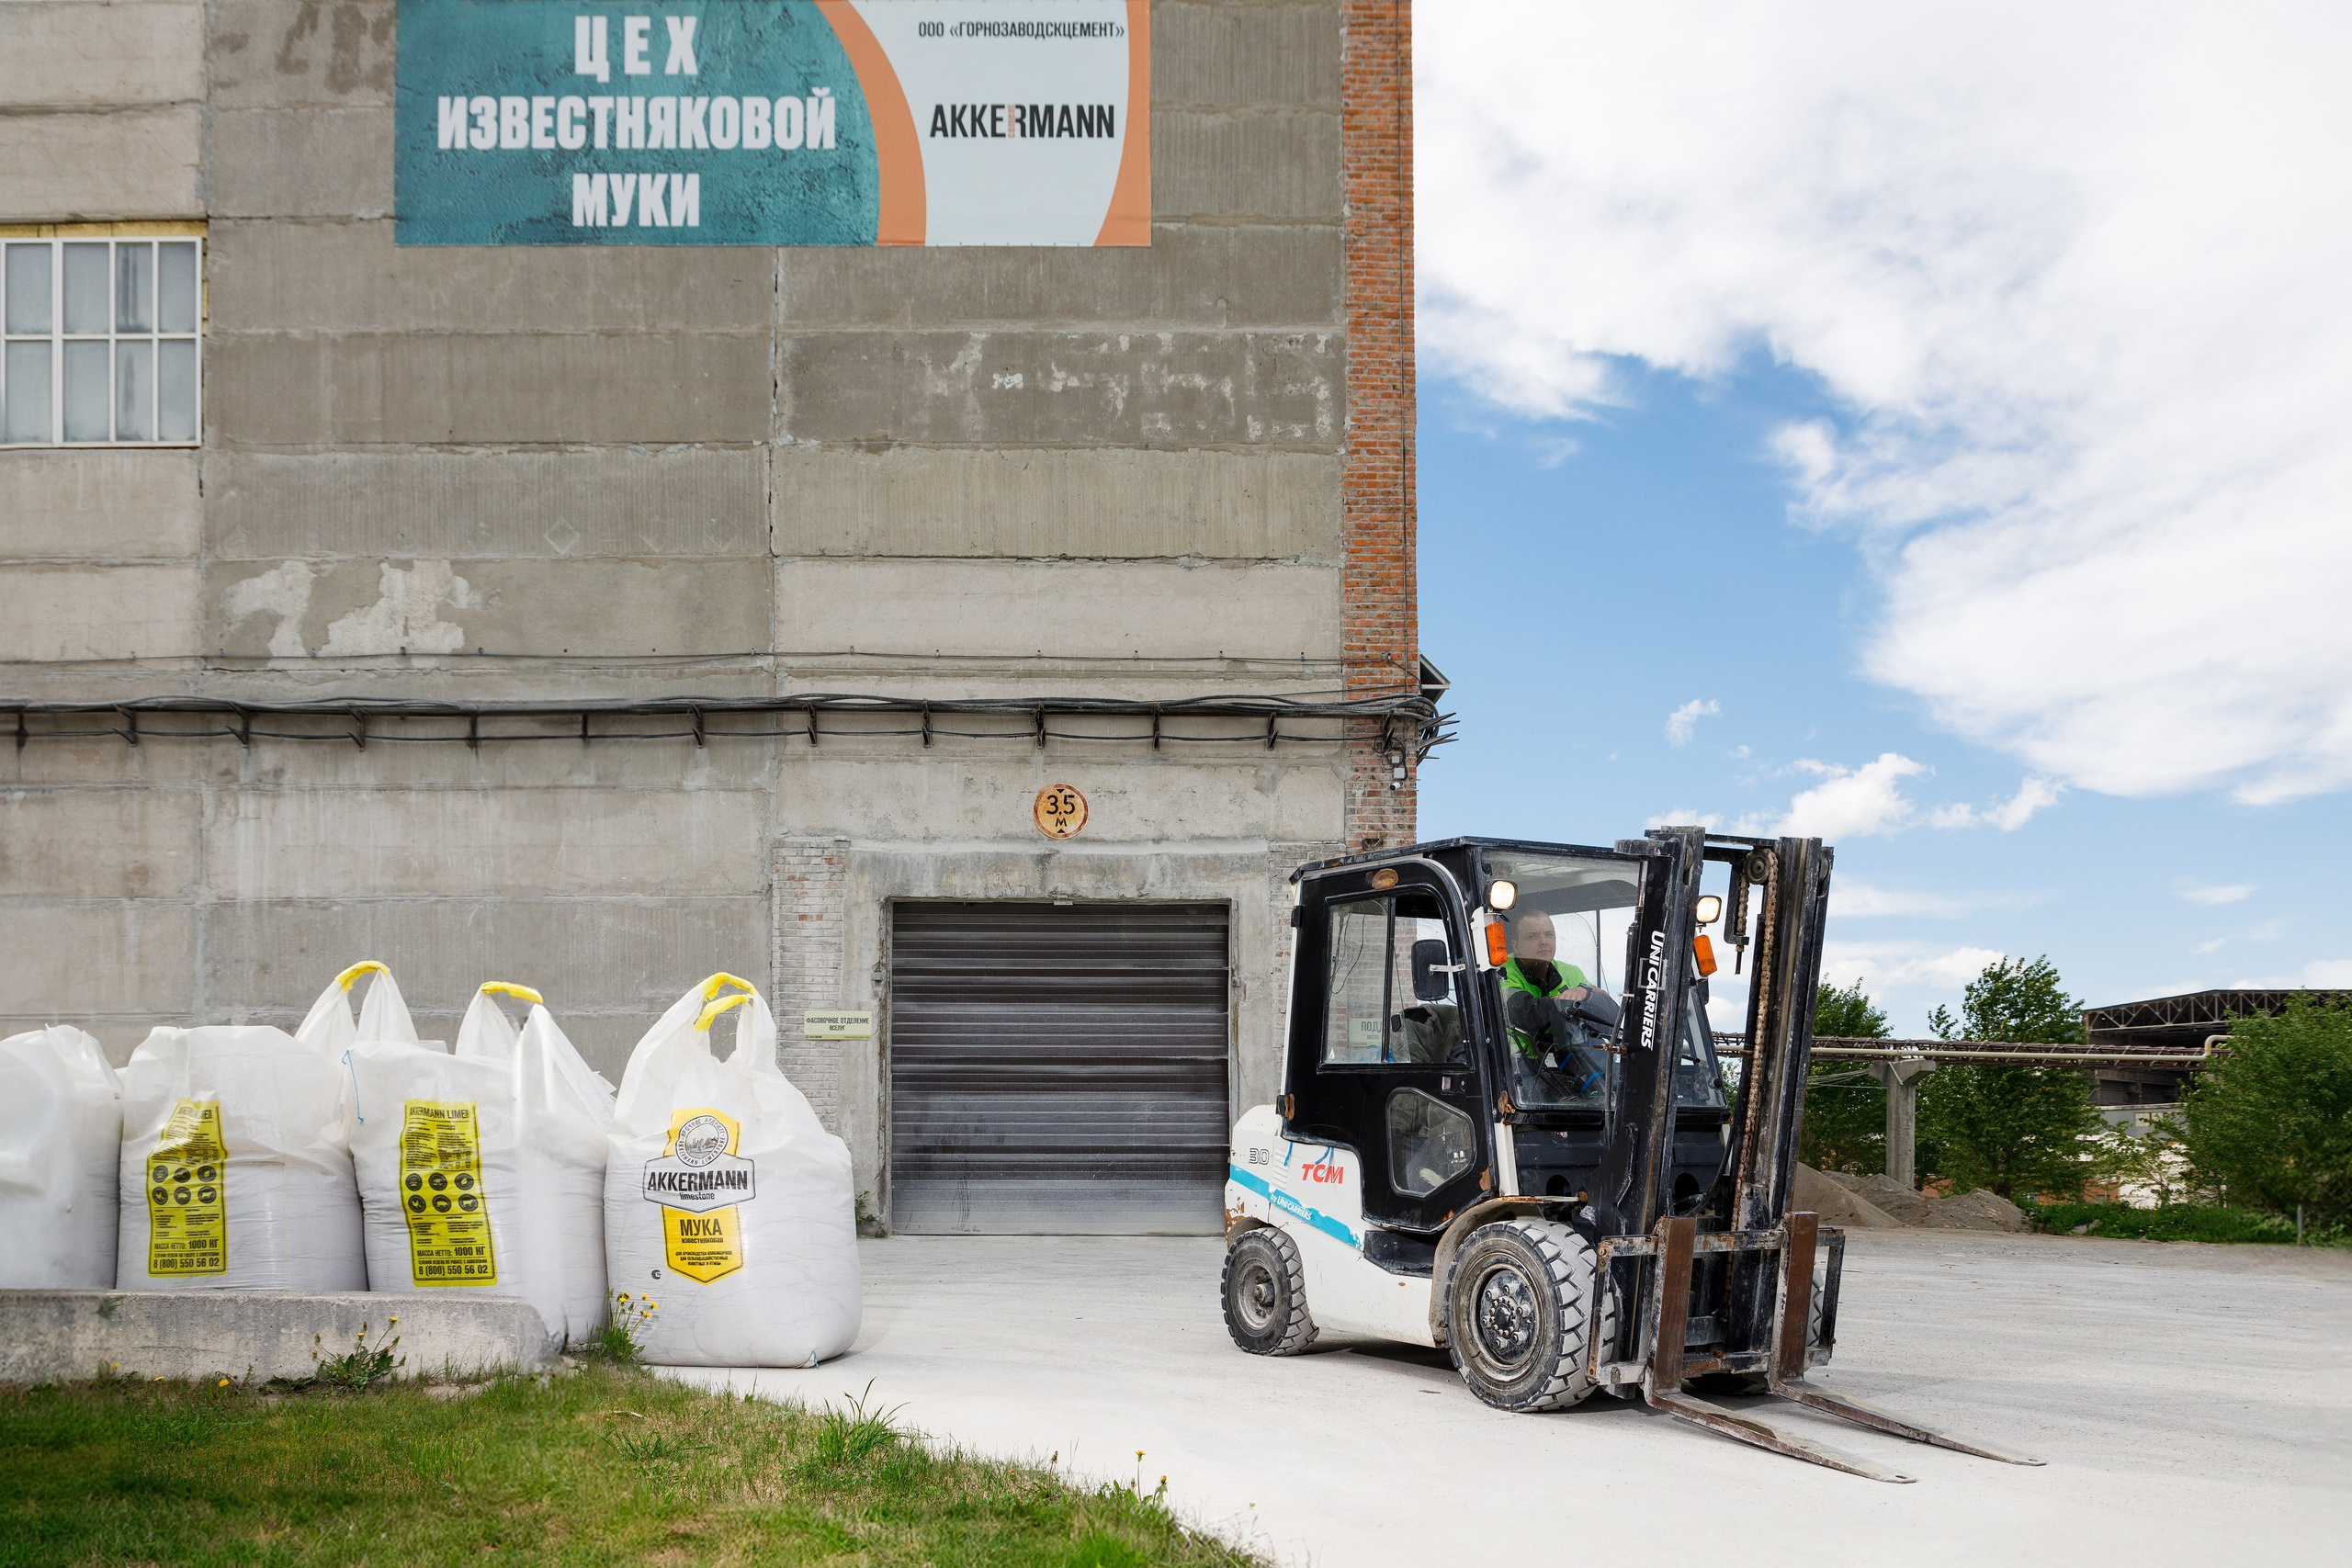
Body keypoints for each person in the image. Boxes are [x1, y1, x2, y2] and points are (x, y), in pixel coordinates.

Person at [1501, 910, 1612, 1100]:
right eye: (1533, 936)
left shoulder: (1570, 972)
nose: (1543, 941)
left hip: (1563, 1066)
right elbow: (1523, 1012)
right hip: (1516, 1068)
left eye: (1549, 934)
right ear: (1516, 946)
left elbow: (1609, 1017)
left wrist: (1586, 993)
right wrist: (1566, 1000)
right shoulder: (1503, 971)